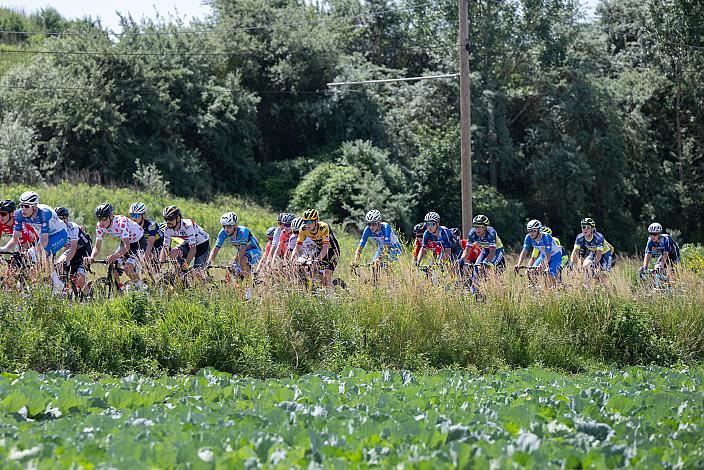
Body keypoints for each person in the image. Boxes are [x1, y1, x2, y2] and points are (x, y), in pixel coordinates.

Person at [1, 191, 68, 293]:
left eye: (27, 206)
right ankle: (36, 284)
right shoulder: (19, 215)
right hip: (43, 236)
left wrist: (34, 251)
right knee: (33, 257)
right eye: (21, 205)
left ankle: (57, 283)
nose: (23, 209)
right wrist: (4, 249)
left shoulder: (44, 213)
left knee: (39, 253)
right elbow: (15, 239)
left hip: (59, 234)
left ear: (35, 206)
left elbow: (45, 241)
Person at [84, 203, 145, 290]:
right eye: (99, 219)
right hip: (125, 241)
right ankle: (120, 289)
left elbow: (127, 247)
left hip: (138, 242)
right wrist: (92, 257)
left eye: (104, 219)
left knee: (127, 268)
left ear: (111, 216)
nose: (101, 222)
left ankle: (142, 289)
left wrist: (114, 256)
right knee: (113, 264)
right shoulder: (99, 226)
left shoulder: (121, 222)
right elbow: (97, 247)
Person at [291, 208, 340, 288]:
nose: (307, 224)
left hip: (332, 250)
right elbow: (297, 247)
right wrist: (292, 259)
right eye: (305, 222)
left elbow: (325, 247)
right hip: (319, 249)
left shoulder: (323, 227)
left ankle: (332, 298)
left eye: (310, 222)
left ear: (316, 221)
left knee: (327, 275)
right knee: (311, 270)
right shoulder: (303, 229)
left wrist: (317, 260)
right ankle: (316, 290)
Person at [207, 212, 262, 277]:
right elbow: (216, 248)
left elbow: (243, 249)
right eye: (224, 226)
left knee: (242, 260)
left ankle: (249, 283)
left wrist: (236, 263)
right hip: (243, 252)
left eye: (229, 226)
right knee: (233, 271)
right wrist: (209, 261)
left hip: (254, 250)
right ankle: (237, 283)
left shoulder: (243, 231)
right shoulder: (223, 232)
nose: (226, 229)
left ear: (235, 225)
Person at [160, 205, 211, 276]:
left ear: (178, 218)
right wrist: (159, 266)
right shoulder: (167, 228)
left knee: (198, 274)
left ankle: (203, 283)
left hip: (202, 245)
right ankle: (179, 277)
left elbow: (193, 250)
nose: (168, 222)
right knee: (173, 253)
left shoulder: (188, 225)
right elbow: (165, 248)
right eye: (166, 219)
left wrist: (184, 268)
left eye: (171, 219)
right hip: (188, 243)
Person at [515, 219, 563, 288]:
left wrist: (542, 264)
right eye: (529, 231)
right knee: (531, 271)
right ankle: (537, 289)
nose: (531, 233)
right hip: (544, 255)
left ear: (539, 230)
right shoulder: (528, 237)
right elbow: (524, 251)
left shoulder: (546, 237)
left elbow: (548, 253)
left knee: (549, 273)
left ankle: (555, 291)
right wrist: (518, 264)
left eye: (534, 231)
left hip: (555, 255)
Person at [54, 207, 92, 294]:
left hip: (83, 250)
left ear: (66, 219)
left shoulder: (72, 227)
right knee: (58, 265)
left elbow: (73, 248)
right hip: (71, 250)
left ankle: (88, 297)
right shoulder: (56, 230)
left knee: (80, 278)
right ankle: (68, 290)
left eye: (61, 219)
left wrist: (66, 261)